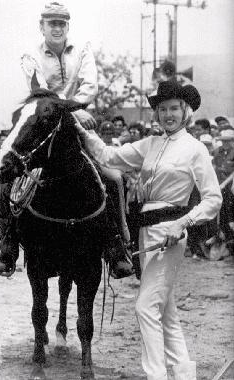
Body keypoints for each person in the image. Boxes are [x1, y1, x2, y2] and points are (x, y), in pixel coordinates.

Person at [74, 80, 222, 380]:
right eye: (162, 109)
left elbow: (213, 198)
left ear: (186, 113)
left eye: (174, 109)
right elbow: (107, 156)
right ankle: (184, 375)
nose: (168, 115)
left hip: (171, 233)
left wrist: (183, 224)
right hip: (146, 230)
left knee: (144, 306)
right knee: (166, 311)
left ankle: (156, 376)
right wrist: (79, 127)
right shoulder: (151, 144)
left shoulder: (194, 149)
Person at [0, 2, 133, 278]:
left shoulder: (82, 49)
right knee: (9, 173)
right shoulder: (30, 54)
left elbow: (89, 84)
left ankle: (117, 243)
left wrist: (77, 109)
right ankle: (7, 243)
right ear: (41, 26)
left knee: (114, 177)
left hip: (76, 121)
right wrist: (74, 109)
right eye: (51, 23)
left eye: (61, 23)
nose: (56, 28)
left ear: (67, 26)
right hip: (44, 121)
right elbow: (39, 90)